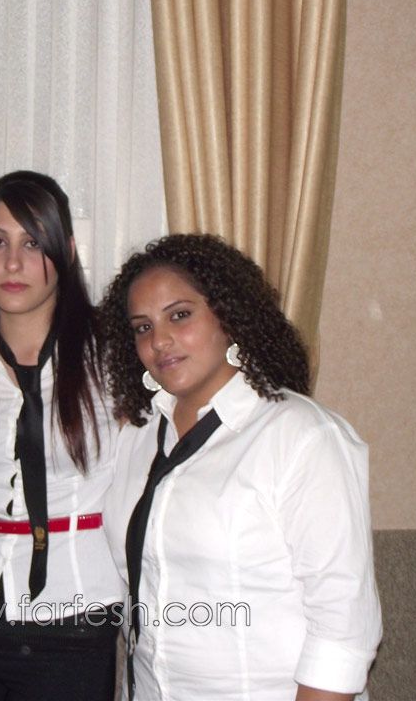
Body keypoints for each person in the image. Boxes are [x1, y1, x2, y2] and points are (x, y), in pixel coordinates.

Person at [97, 234, 382, 701]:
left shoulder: (301, 437)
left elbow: (343, 630)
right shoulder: (138, 438)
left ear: (229, 317)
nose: (159, 341)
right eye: (143, 327)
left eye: (179, 315)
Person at [0, 170, 124, 700]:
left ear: (65, 250)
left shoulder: (115, 356)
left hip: (78, 616)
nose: (12, 262)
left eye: (32, 243)